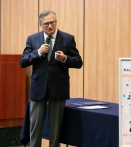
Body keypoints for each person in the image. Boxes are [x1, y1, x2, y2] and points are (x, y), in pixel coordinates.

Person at [20, 10, 82, 147]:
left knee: (55, 127)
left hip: (59, 87)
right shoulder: (33, 39)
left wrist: (65, 58)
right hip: (38, 87)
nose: (50, 26)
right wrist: (38, 52)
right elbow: (23, 62)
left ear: (56, 22)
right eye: (46, 23)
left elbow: (78, 62)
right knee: (35, 126)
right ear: (40, 24)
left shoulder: (67, 38)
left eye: (52, 22)